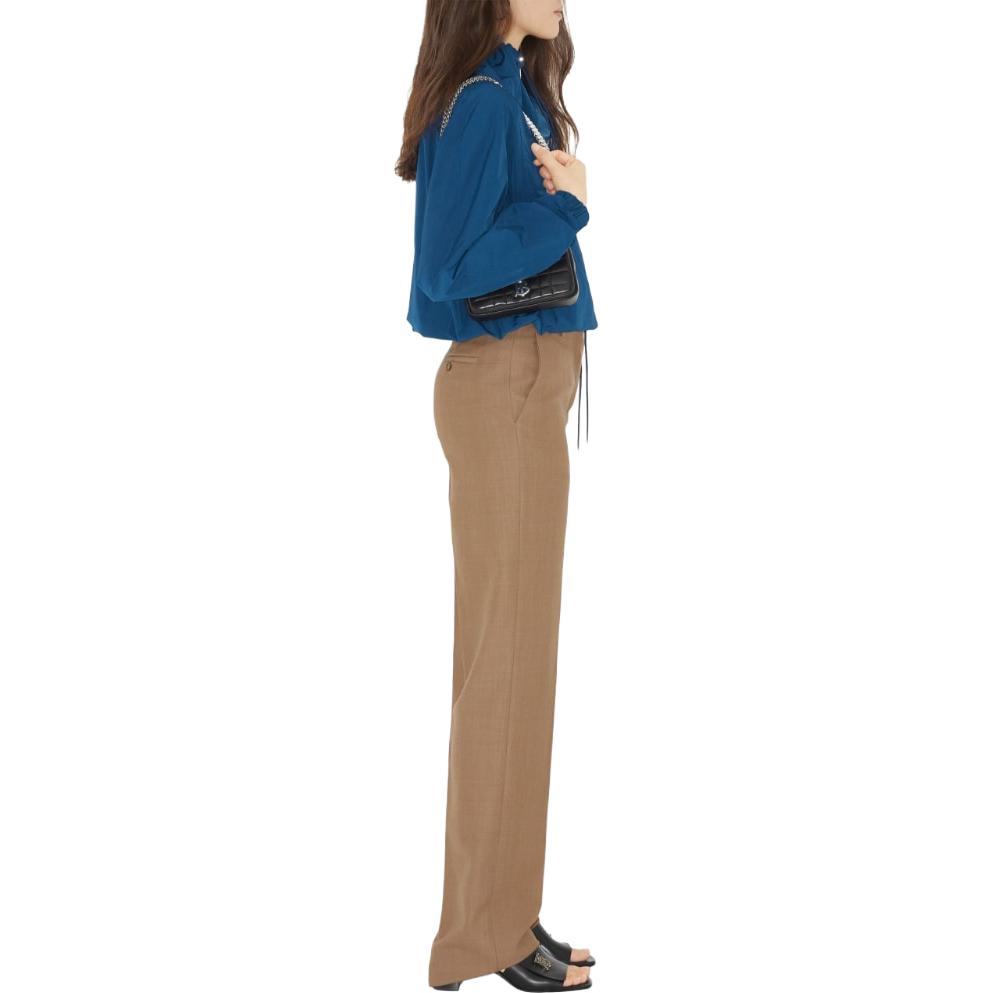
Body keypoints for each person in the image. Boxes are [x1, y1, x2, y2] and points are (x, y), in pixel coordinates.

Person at [395, 3, 598, 990]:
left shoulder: (509, 93)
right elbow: (448, 268)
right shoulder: (481, 101)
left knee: (516, 669)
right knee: (503, 671)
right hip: (505, 390)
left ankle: (506, 910)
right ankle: (482, 935)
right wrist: (566, 207)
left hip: (523, 392)